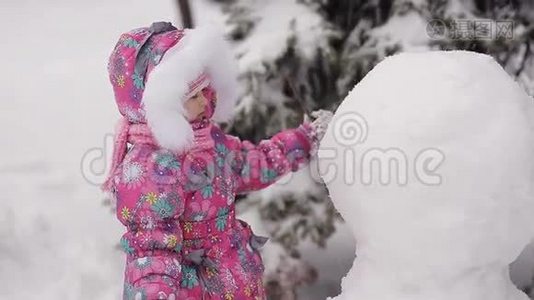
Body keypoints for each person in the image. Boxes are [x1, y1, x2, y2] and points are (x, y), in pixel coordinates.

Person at [102, 21, 332, 300]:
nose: (205, 101)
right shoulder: (149, 170)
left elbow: (253, 162)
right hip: (191, 290)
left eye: (204, 90)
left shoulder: (209, 141)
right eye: (192, 96)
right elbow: (152, 251)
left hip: (232, 279)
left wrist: (303, 140)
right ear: (162, 105)